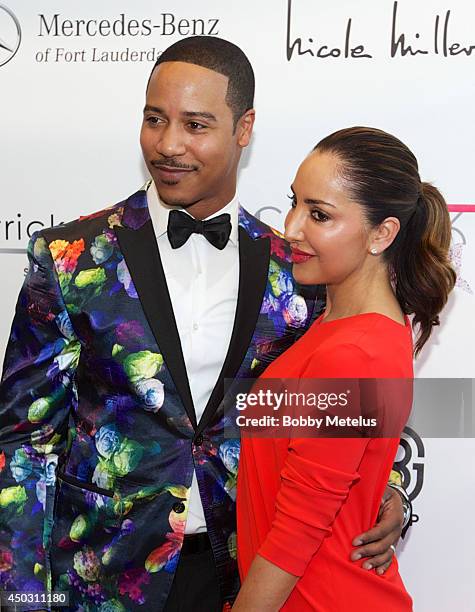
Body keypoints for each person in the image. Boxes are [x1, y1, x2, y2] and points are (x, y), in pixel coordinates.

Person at [0, 38, 408, 612]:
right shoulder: (71, 257)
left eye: (195, 124)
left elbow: (329, 414)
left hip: (243, 575)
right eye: (154, 120)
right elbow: (25, 442)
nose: (168, 145)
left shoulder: (298, 271)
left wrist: (387, 489)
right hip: (100, 581)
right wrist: (21, 597)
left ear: (244, 129)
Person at [235, 127, 456, 611]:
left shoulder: (354, 352)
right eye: (294, 203)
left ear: (383, 233)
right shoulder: (350, 326)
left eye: (319, 215)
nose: (291, 227)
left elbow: (296, 532)